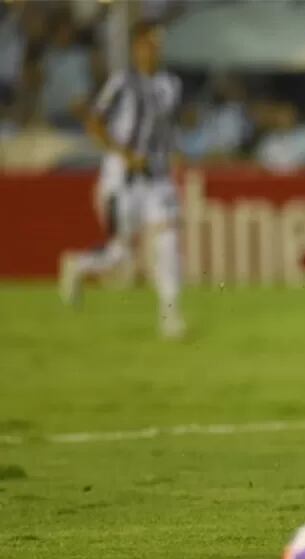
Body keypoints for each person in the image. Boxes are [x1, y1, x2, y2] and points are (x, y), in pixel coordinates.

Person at [58, 20, 185, 339]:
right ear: (136, 47)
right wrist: (126, 155)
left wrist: (173, 154)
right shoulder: (122, 82)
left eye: (157, 44)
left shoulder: (171, 84)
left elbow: (167, 128)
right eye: (147, 44)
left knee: (167, 239)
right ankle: (78, 264)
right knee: (121, 257)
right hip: (121, 180)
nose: (153, 50)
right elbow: (96, 123)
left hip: (157, 178)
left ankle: (170, 315)